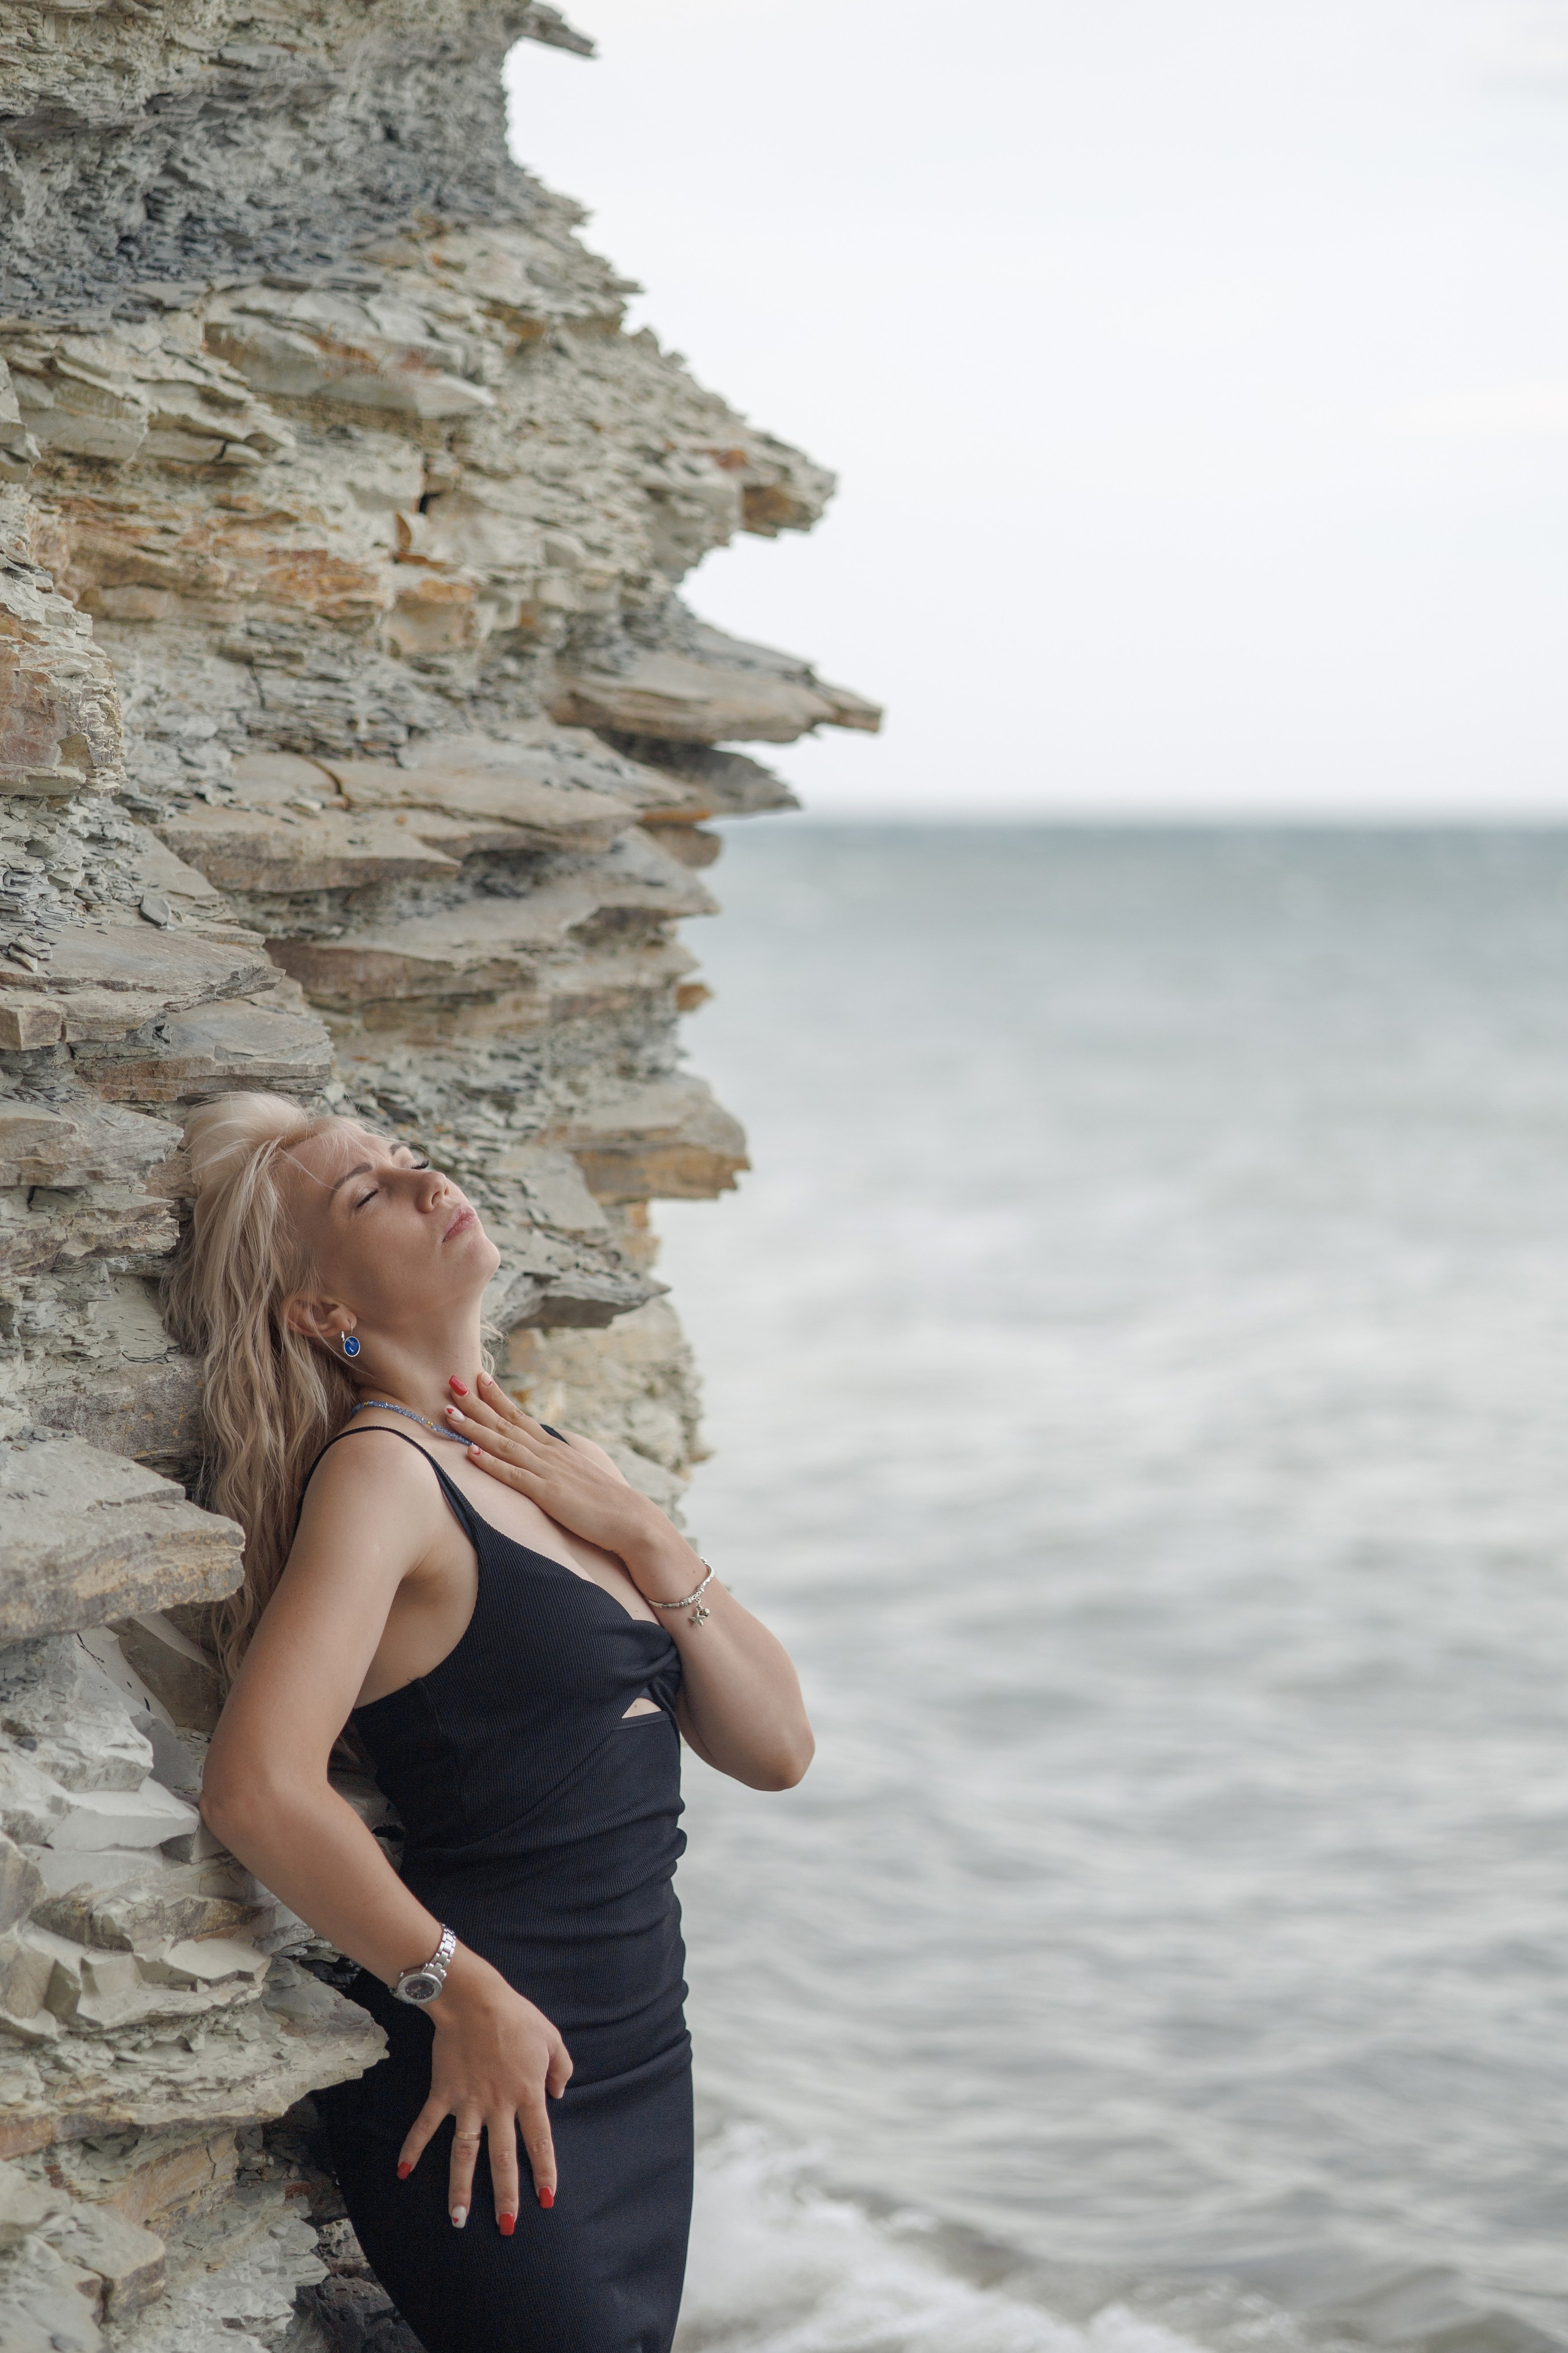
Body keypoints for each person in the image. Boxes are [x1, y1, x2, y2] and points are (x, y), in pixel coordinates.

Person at [165, 1092, 813, 2353]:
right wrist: (458, 1995)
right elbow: (257, 1787)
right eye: (366, 1194)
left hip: (632, 2054)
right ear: (322, 1314)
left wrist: (640, 1527)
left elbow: (775, 1746)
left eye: (408, 1159)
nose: (422, 1183)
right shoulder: (384, 1474)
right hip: (488, 2078)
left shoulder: (561, 1461)